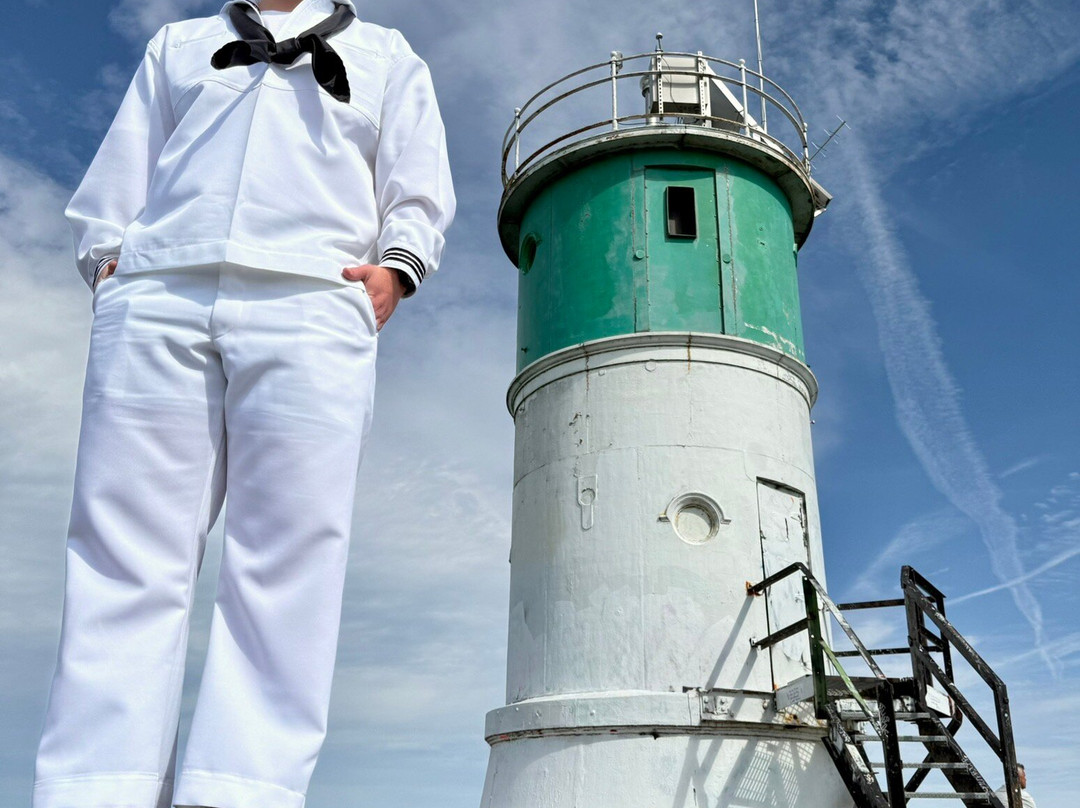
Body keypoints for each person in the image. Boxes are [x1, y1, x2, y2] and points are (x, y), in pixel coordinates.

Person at [33, 0, 454, 806]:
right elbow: (124, 165)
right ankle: (94, 789)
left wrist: (396, 267)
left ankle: (239, 793)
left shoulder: (387, 54)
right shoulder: (180, 44)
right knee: (121, 555)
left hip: (315, 297)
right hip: (160, 290)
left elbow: (417, 177)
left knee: (290, 560)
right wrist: (110, 265)